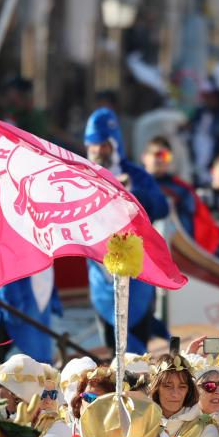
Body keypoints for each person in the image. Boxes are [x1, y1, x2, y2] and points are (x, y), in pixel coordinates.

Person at [83, 108, 169, 354]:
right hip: (101, 276)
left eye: (103, 144)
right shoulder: (81, 176)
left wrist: (131, 194)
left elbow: (161, 207)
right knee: (111, 348)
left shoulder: (136, 175)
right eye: (93, 144)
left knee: (138, 349)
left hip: (138, 275)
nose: (98, 150)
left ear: (114, 144)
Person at [141, 136, 219, 253]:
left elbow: (188, 227)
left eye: (166, 156)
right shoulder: (130, 182)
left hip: (167, 246)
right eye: (157, 154)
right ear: (144, 157)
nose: (161, 160)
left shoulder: (181, 190)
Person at [0, 272, 61, 364]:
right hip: (8, 312)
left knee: (38, 362)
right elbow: (6, 276)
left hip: (29, 309)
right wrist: (14, 307)